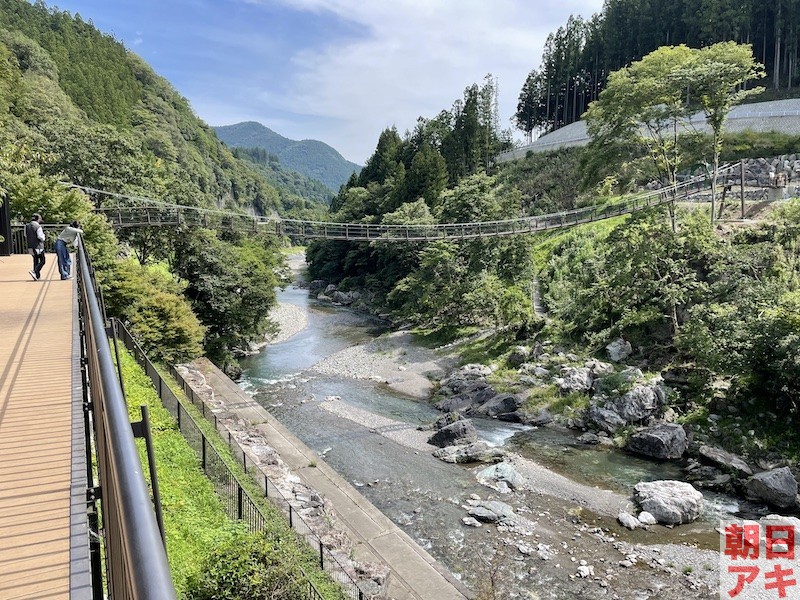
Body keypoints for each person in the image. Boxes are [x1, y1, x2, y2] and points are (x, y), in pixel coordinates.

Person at [25, 213, 45, 280]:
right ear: (38, 219)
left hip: (30, 246)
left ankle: (37, 276)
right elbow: (40, 237)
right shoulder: (38, 226)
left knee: (35, 260)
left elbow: (25, 235)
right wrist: (44, 238)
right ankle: (35, 271)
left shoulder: (27, 226)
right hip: (38, 246)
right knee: (42, 260)